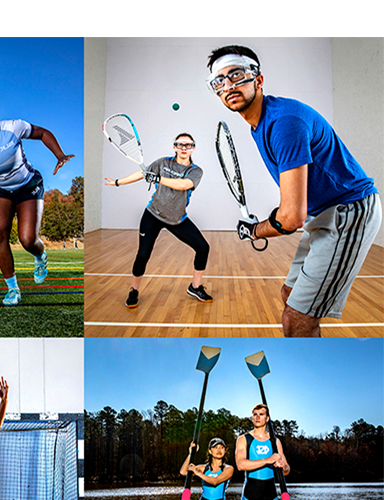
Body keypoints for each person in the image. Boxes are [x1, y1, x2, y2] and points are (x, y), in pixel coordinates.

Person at [209, 45, 380, 337]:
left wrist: (255, 230)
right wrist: (264, 224)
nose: (228, 85)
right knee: (289, 294)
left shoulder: (284, 123)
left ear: (258, 80)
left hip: (350, 213)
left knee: (296, 319)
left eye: (236, 75)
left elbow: (291, 218)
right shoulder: (259, 123)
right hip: (323, 213)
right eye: (219, 81)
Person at [0, 93, 74, 306]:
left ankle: (40, 257)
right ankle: (12, 289)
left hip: (27, 186)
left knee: (27, 239)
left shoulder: (13, 128)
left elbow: (42, 133)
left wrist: (60, 155)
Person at [105, 133, 211, 309]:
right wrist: (118, 182)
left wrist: (158, 178)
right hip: (153, 215)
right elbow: (143, 173)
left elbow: (184, 185)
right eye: (180, 144)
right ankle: (134, 290)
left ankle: (195, 287)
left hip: (177, 219)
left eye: (188, 145)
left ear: (193, 148)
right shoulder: (163, 163)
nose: (184, 148)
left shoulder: (195, 171)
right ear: (174, 146)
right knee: (143, 255)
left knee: (203, 248)